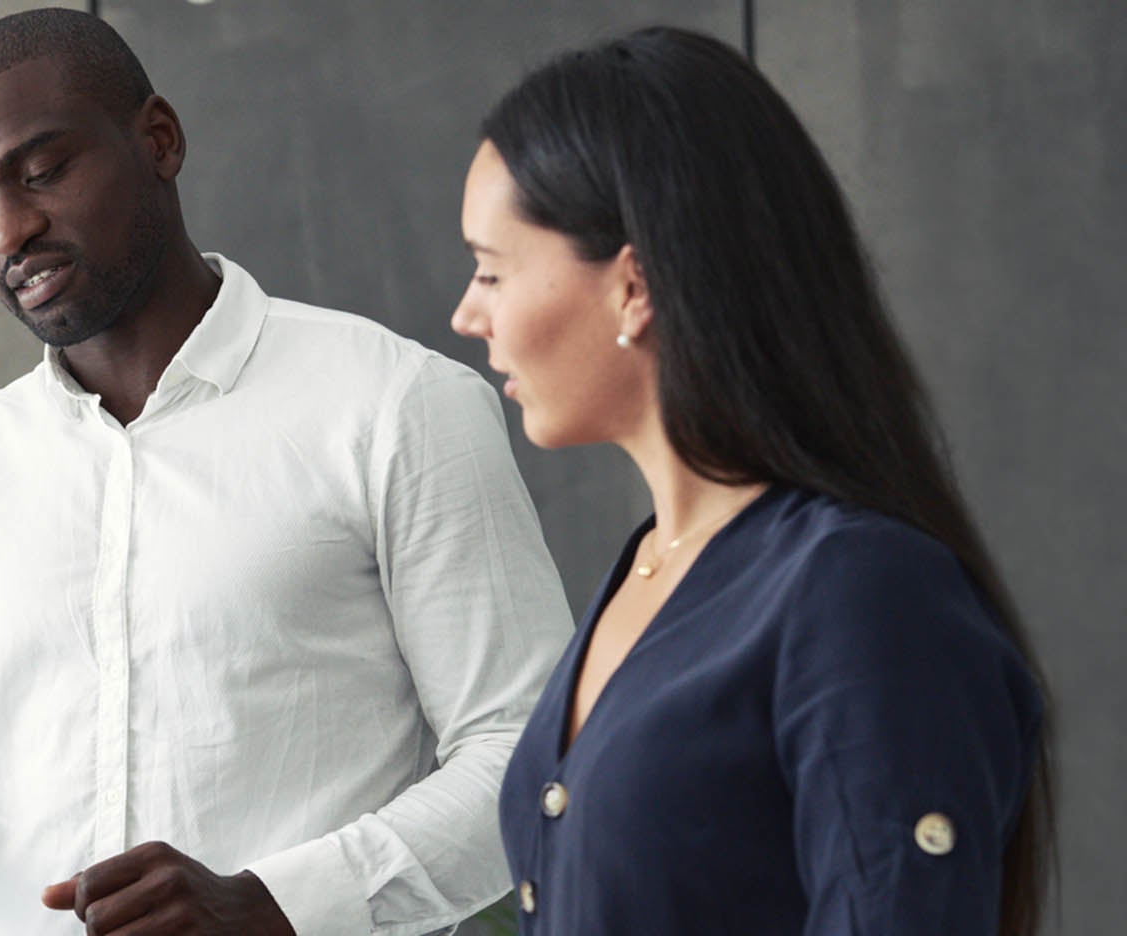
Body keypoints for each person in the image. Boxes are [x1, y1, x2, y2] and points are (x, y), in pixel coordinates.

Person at [0, 9, 572, 935]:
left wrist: (275, 906)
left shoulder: (396, 405)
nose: (9, 232)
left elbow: (526, 759)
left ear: (158, 139)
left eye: (40, 175)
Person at [449, 26, 1052, 935]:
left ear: (633, 286)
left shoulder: (858, 592)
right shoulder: (651, 566)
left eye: (493, 271)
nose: (467, 313)